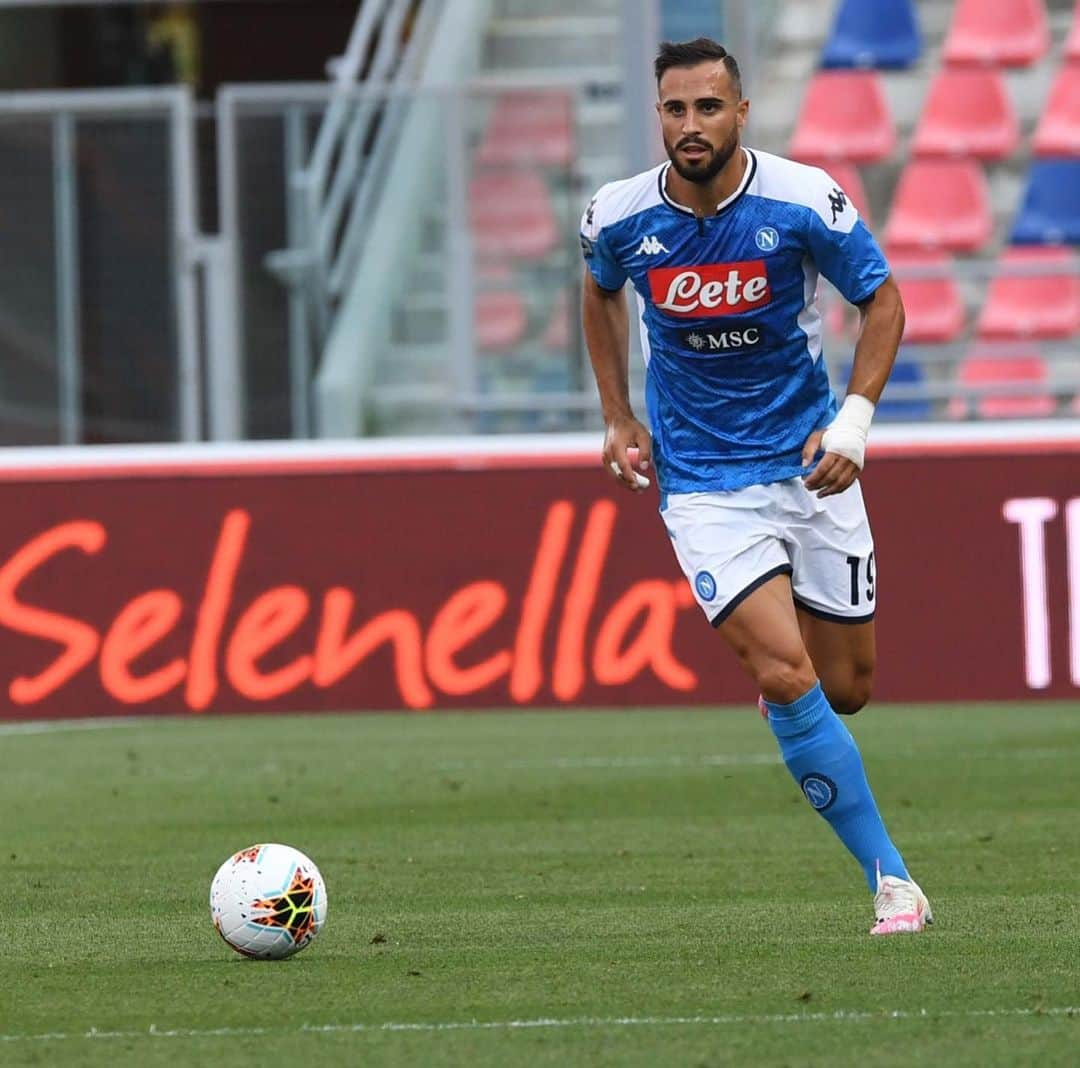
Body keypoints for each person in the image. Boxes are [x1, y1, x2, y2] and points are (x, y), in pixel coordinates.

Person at [579, 37, 931, 935]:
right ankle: (892, 881)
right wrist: (618, 414)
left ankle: (798, 709)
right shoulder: (617, 215)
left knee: (845, 688)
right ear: (657, 115)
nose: (688, 126)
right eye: (673, 109)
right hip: (702, 484)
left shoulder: (803, 199)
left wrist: (853, 422)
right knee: (783, 670)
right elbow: (600, 289)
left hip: (811, 466)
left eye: (706, 107)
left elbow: (882, 300)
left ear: (741, 113)